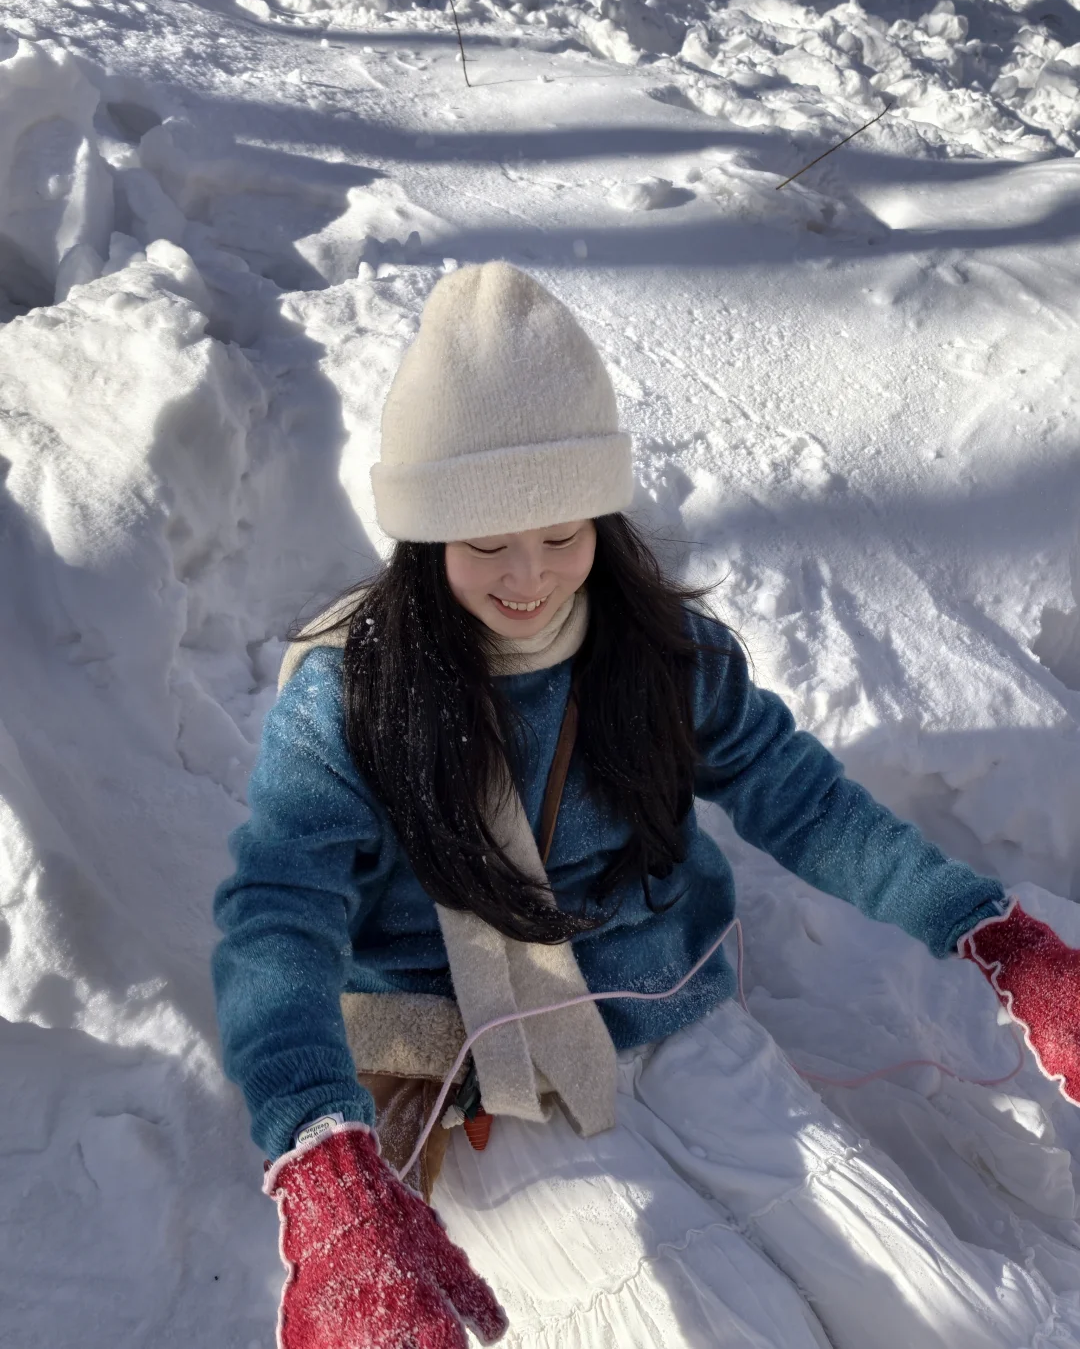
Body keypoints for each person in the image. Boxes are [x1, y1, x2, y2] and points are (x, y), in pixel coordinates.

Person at [213, 261, 1080, 1349]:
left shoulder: (659, 654)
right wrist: (323, 1168)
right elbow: (276, 920)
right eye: (486, 543)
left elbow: (805, 807)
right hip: (470, 1072)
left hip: (670, 1013)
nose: (531, 576)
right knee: (717, 1330)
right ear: (424, 532)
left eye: (564, 534)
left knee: (955, 1317)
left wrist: (999, 937)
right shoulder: (352, 695)